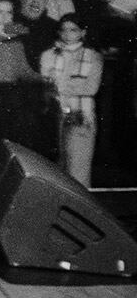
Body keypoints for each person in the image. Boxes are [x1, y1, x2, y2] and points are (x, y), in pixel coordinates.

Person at [40, 15, 103, 187]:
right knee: (57, 171)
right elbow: (45, 84)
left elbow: (90, 88)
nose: (67, 34)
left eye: (73, 29)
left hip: (80, 117)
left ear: (83, 32)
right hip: (55, 116)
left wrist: (60, 85)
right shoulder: (49, 54)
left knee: (78, 173)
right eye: (64, 29)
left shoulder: (93, 56)